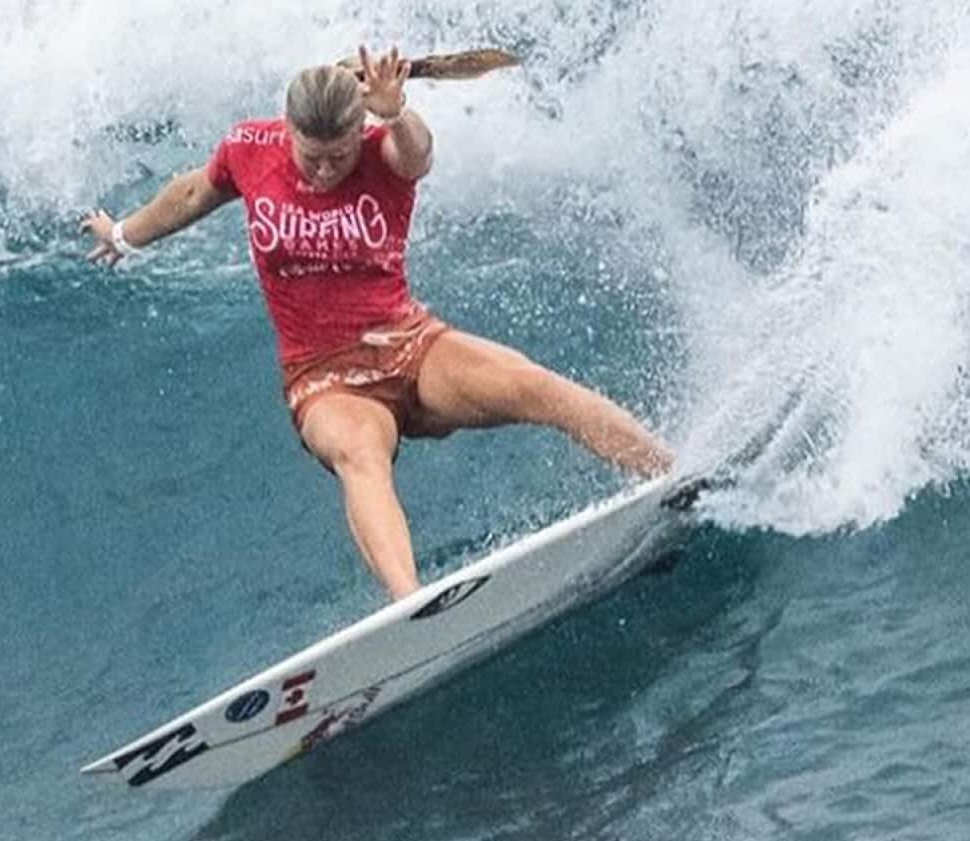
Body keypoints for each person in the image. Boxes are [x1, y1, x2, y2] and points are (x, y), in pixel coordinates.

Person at [81, 45, 674, 601]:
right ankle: (411, 608)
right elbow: (189, 195)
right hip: (324, 378)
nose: (323, 169)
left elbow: (417, 154)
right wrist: (123, 235)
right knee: (361, 453)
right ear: (287, 131)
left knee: (537, 386)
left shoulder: (382, 150)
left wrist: (398, 114)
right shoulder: (249, 150)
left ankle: (673, 477)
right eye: (310, 156)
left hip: (410, 346)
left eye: (338, 155)